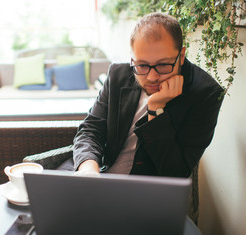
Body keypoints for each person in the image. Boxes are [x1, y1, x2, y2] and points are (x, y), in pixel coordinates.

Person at [69, 13, 224, 222]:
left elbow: (176, 173)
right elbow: (91, 129)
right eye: (141, 65)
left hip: (150, 201)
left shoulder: (205, 94)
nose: (151, 76)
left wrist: (156, 109)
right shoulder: (118, 74)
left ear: (182, 54)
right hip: (101, 183)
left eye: (163, 65)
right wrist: (89, 170)